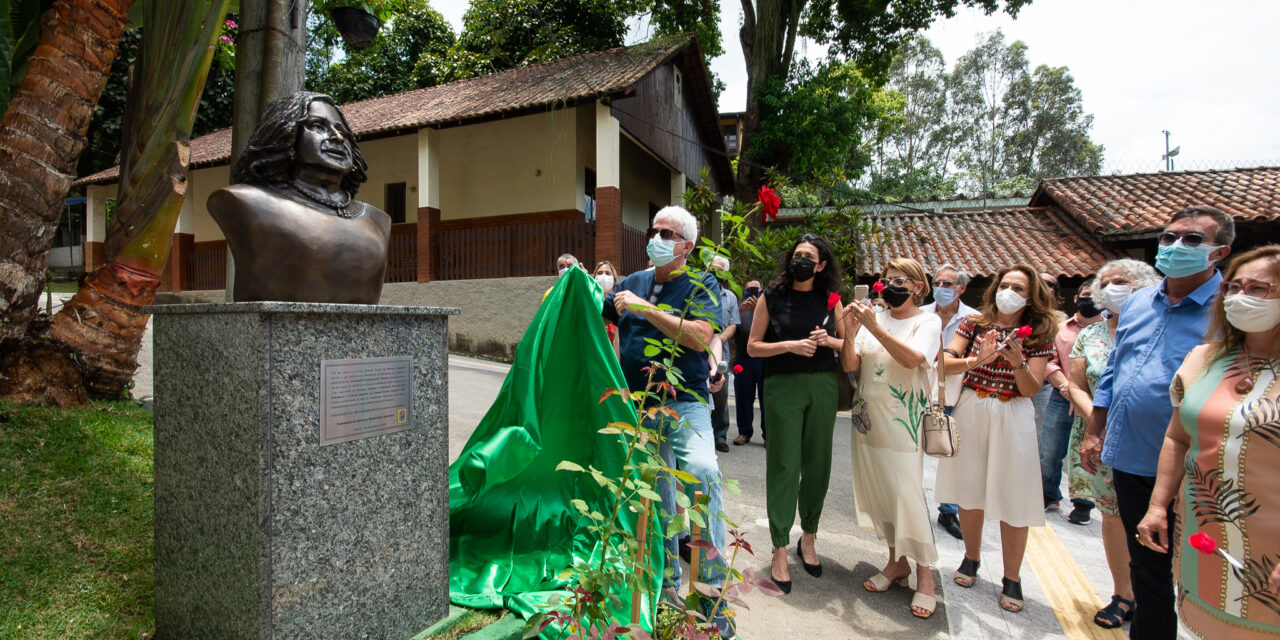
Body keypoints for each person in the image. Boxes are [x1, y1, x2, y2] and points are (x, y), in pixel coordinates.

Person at [1080, 205, 1233, 640]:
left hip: (1198, 466)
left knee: (1207, 571)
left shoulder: (1228, 310)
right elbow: (1113, 371)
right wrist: (1096, 428)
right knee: (1147, 567)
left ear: (1218, 251)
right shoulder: (1138, 304)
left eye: (1191, 240)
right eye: (1168, 238)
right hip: (1132, 456)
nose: (1174, 246)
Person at [1136, 244, 1280, 640]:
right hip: (1205, 531)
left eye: (1258, 288)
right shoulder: (1204, 359)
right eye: (1232, 287)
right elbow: (1177, 437)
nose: (1238, 296)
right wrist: (1157, 506)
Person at [600, 206, 731, 636]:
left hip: (686, 400)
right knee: (654, 491)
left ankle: (711, 591)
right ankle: (667, 585)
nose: (655, 237)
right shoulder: (632, 281)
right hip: (638, 405)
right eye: (654, 229)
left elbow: (699, 336)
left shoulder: (702, 284)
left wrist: (645, 310)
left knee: (702, 474)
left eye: (667, 233)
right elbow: (602, 321)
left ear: (687, 246)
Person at [936, 264, 1058, 614]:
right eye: (1005, 285)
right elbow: (945, 362)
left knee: (1014, 496)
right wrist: (980, 357)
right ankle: (971, 558)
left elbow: (1031, 388)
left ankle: (1012, 577)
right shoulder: (975, 324)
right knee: (969, 489)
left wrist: (1018, 361)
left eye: (1019, 288)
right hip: (972, 407)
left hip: (1012, 414)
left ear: (1031, 295)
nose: (1010, 293)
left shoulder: (1037, 334)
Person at [209, 91, 391, 304]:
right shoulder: (248, 202)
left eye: (342, 132)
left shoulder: (377, 220)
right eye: (317, 127)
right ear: (286, 135)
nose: (337, 137)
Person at [841, 258, 941, 619]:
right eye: (887, 279)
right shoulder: (874, 316)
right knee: (881, 493)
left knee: (906, 495)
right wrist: (852, 332)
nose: (891, 285)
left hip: (904, 424)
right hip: (868, 420)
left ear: (918, 286)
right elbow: (852, 365)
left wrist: (874, 327)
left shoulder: (928, 321)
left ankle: (925, 575)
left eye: (901, 280)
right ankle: (896, 562)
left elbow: (914, 359)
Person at [1064, 259, 1160, 628]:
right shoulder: (1091, 334)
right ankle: (1124, 593)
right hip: (1096, 438)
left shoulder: (1158, 328)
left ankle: (1157, 595)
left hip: (1149, 439)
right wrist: (1097, 422)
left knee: (1155, 518)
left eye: (1121, 281)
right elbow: (1077, 384)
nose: (1111, 288)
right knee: (1113, 515)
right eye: (1106, 283)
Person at [747, 234, 845, 594]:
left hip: (822, 385)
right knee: (784, 465)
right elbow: (753, 346)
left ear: (821, 266)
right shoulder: (770, 296)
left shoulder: (831, 299)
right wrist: (789, 344)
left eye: (809, 256)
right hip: (782, 386)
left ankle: (809, 537)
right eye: (797, 255)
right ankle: (778, 548)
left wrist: (827, 340)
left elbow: (847, 344)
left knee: (818, 461)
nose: (801, 260)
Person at [1040, 278, 1106, 519]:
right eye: (1086, 295)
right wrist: (1066, 386)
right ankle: (1048, 493)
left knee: (1086, 449)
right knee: (1050, 448)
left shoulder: (1109, 332)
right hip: (1061, 396)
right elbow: (1049, 359)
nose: (1090, 300)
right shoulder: (1060, 328)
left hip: (1095, 402)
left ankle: (1083, 503)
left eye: (1096, 296)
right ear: (1076, 299)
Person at [921, 264, 977, 540]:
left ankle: (948, 510)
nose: (942, 288)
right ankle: (913, 502)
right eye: (938, 283)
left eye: (949, 284)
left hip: (956, 392)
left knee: (952, 448)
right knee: (916, 444)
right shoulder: (921, 314)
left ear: (962, 288)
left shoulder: (975, 319)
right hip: (921, 389)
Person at [708, 255, 740, 452]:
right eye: (710, 269)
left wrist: (719, 339)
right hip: (697, 351)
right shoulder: (696, 292)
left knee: (720, 396)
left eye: (718, 269)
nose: (714, 273)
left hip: (721, 355)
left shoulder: (730, 297)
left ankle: (719, 436)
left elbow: (733, 324)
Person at [732, 279, 766, 446]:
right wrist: (740, 310)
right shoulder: (739, 308)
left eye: (756, 290)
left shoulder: (767, 307)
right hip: (743, 358)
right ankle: (744, 432)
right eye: (749, 290)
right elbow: (729, 327)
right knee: (743, 396)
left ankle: (768, 435)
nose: (752, 293)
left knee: (766, 397)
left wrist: (760, 308)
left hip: (764, 358)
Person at [593, 260, 621, 355]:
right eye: (600, 273)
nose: (603, 276)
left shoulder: (619, 303)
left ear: (614, 280)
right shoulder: (591, 303)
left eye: (608, 273)